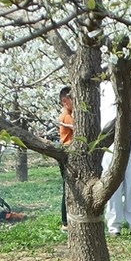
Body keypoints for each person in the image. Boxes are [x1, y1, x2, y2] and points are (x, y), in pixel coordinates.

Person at [100, 80, 131, 237]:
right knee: (115, 181)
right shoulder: (98, 88)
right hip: (109, 135)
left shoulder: (121, 82)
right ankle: (118, 225)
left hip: (126, 131)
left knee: (129, 180)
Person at [57, 86, 74, 231]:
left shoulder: (69, 113)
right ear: (65, 101)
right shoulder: (66, 115)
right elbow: (77, 127)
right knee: (67, 187)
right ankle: (65, 221)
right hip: (67, 153)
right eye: (73, 99)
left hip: (70, 153)